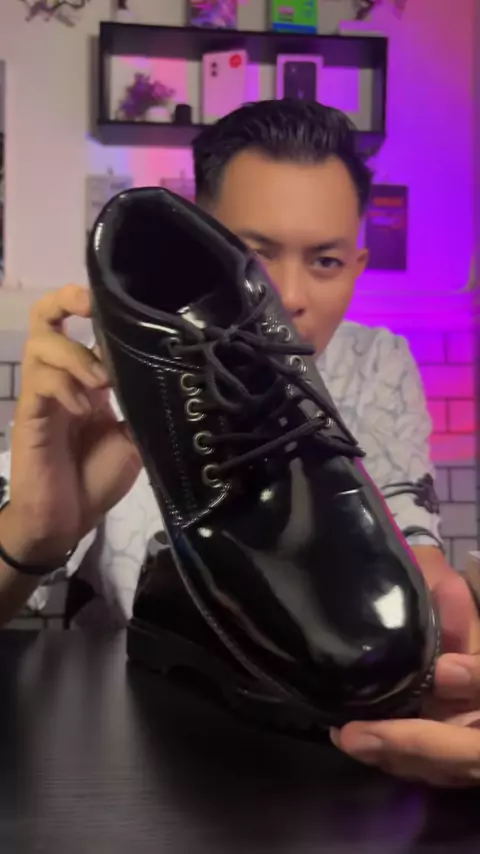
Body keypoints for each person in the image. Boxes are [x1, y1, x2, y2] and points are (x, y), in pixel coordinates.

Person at [0, 100, 479, 785]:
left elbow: (409, 530)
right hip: (123, 755)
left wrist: (442, 626)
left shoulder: (379, 361)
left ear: (357, 263)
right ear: (206, 252)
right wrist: (34, 530)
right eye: (255, 257)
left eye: (325, 260)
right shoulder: (100, 387)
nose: (289, 296)